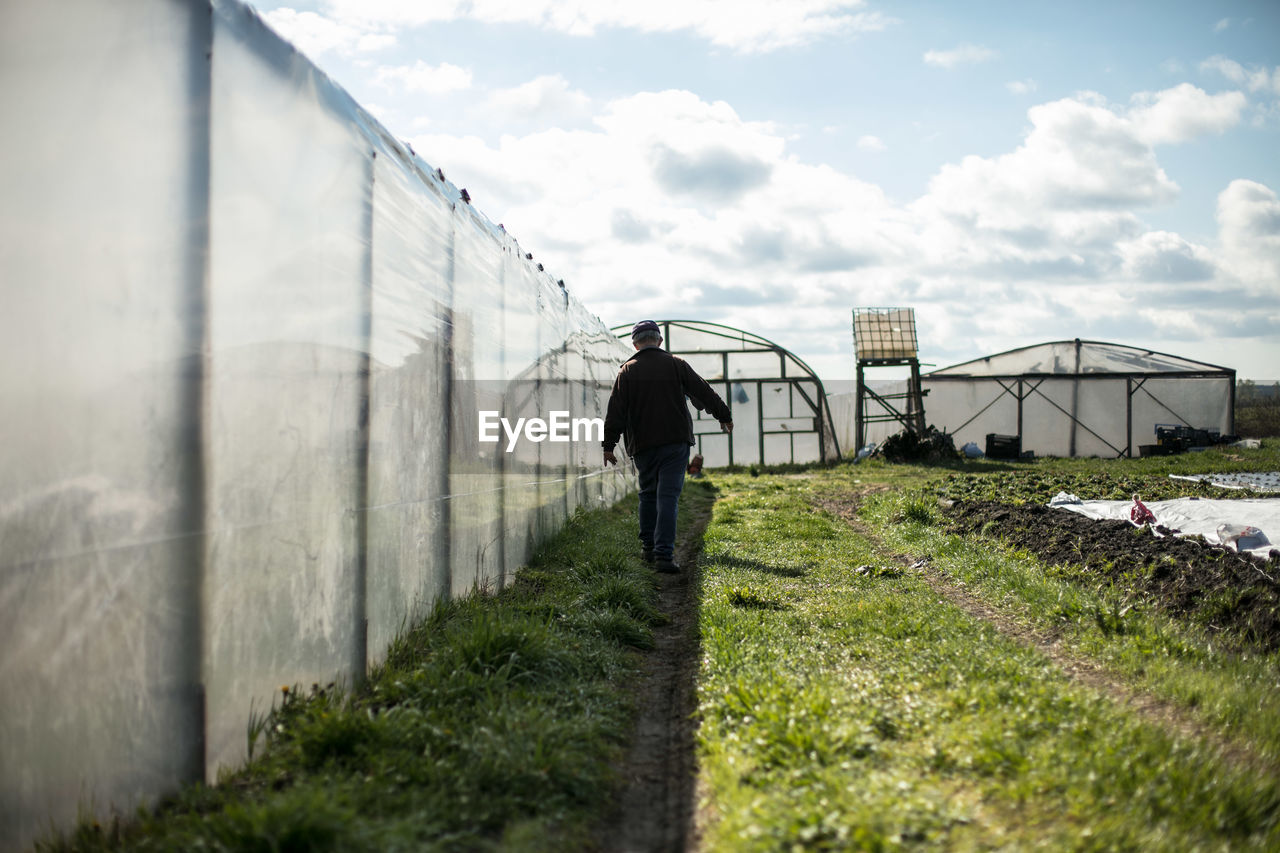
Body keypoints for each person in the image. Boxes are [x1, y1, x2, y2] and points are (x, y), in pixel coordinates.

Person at [603, 320, 733, 573]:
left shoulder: (627, 371)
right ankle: (664, 555)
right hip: (675, 442)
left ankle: (648, 548)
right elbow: (704, 391)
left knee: (648, 494)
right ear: (660, 341)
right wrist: (724, 415)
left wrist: (609, 445)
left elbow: (615, 411)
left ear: (635, 343)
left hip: (643, 445)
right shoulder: (676, 364)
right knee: (668, 497)